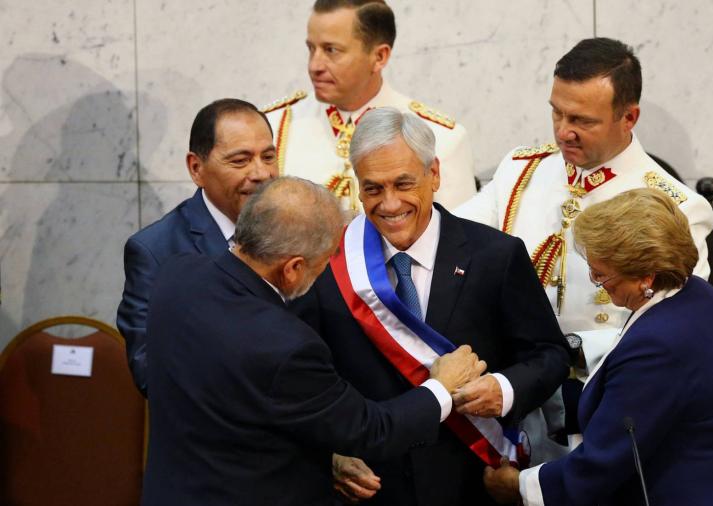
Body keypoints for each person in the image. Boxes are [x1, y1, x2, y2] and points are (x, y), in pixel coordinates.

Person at [141, 176, 488, 506]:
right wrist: (441, 386)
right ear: (292, 268)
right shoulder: (285, 347)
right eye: (322, 265)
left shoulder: (176, 276)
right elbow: (372, 429)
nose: (323, 273)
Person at [298, 108, 570, 505]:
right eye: (373, 189)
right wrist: (329, 454)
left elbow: (550, 355)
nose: (389, 204)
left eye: (403, 184)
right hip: (371, 487)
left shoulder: (495, 256)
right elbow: (304, 380)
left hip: (471, 483)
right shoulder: (328, 263)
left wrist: (505, 389)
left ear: (435, 175)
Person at [483, 188, 713, 506]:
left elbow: (605, 461)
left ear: (646, 276)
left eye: (601, 275)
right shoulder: (695, 295)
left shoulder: (659, 345)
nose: (595, 281)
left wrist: (520, 486)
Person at [455, 38, 713, 376]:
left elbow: (678, 323)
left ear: (629, 117)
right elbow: (455, 241)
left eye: (582, 120)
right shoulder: (521, 170)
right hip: (506, 382)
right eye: (557, 112)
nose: (563, 132)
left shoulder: (677, 206)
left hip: (603, 392)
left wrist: (568, 351)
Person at [116, 98, 278, 396]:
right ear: (196, 168)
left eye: (268, 157)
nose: (261, 173)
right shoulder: (156, 251)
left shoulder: (291, 231)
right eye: (241, 160)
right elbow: (151, 373)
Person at [262, 0, 476, 211]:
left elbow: (461, 240)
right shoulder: (274, 126)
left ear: (379, 56)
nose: (314, 65)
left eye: (331, 50)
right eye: (311, 48)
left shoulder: (442, 138)